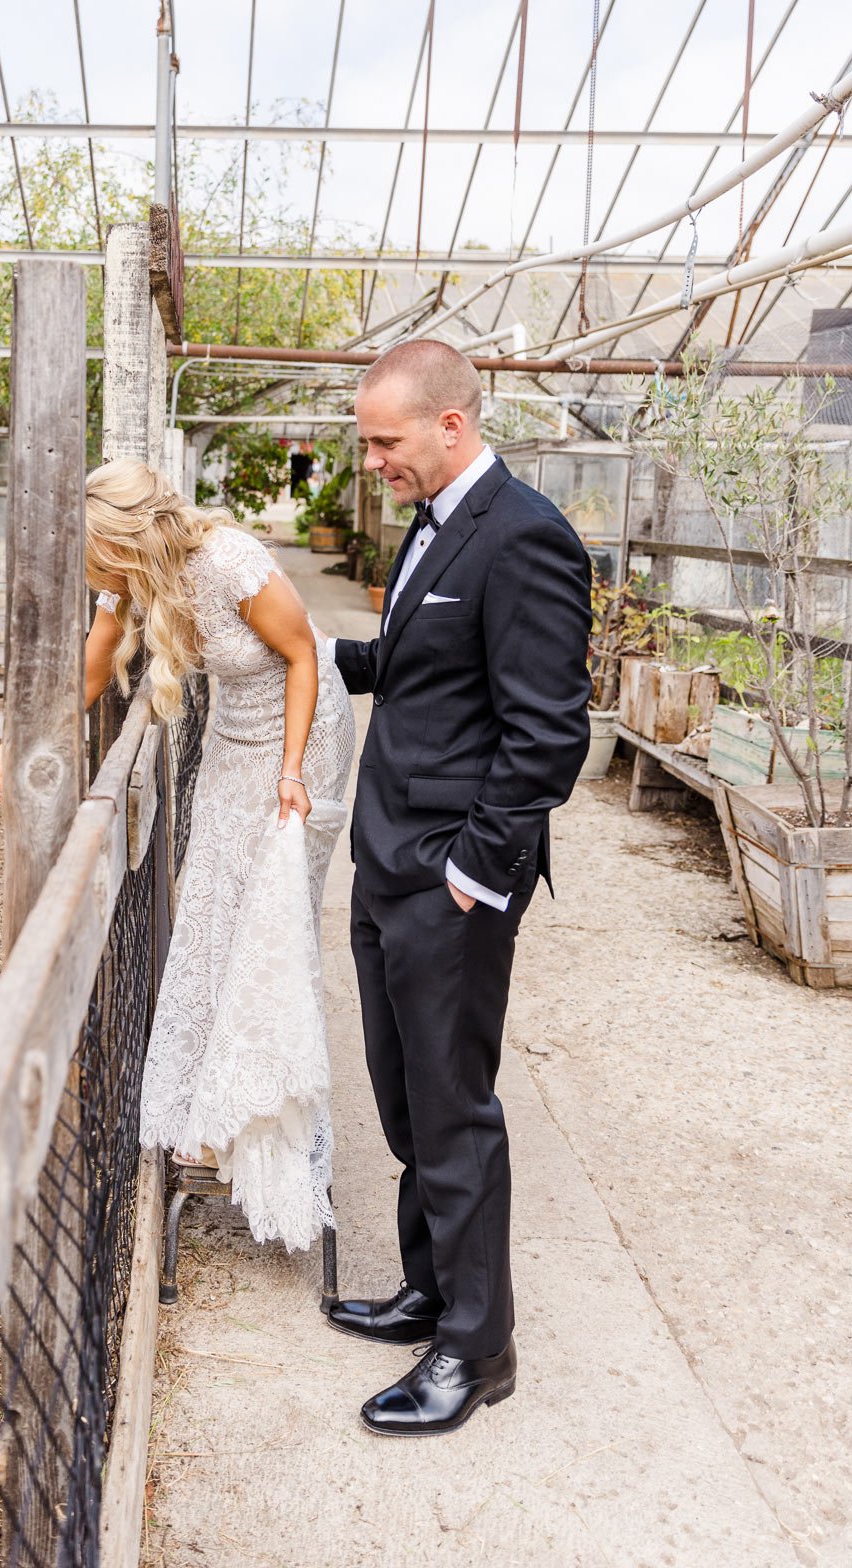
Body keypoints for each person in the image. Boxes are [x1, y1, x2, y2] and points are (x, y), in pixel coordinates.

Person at [0, 458, 356, 1251]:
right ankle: (216, 1105)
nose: (89, 568)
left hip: (300, 739)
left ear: (125, 539)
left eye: (94, 550)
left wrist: (287, 773)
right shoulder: (131, 582)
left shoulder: (232, 562)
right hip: (236, 736)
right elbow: (93, 665)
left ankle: (269, 1114)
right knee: (212, 895)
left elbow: (306, 656)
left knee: (267, 915)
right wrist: (10, 750)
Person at [325, 339, 591, 1438]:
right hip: (383, 856)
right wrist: (296, 648)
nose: (373, 460)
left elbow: (546, 736)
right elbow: (421, 666)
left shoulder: (524, 536)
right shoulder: (434, 522)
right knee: (403, 1096)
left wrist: (470, 876)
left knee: (455, 1107)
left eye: (385, 440)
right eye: (367, 440)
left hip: (447, 881)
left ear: (450, 423)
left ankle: (477, 1346)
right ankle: (431, 1287)